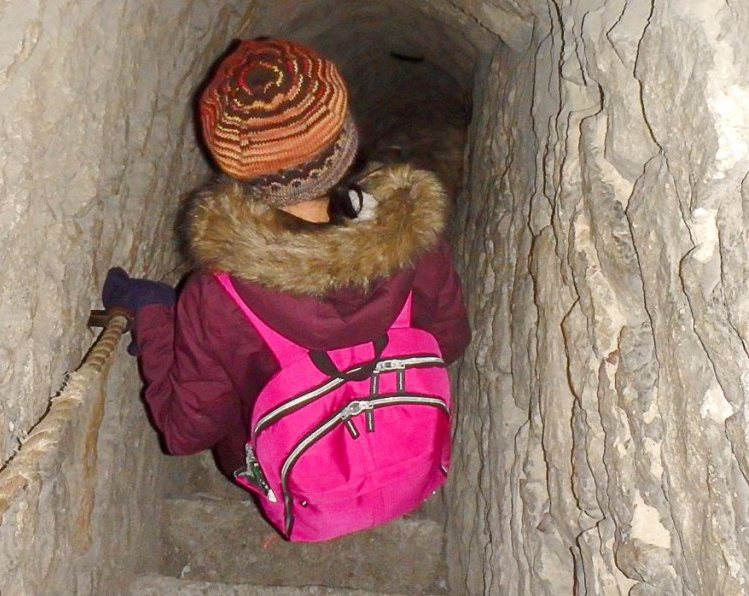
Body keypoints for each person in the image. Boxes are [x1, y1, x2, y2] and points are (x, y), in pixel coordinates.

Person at [101, 37, 471, 481]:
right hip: (405, 452)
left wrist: (156, 316)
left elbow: (187, 432)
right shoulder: (417, 245)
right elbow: (447, 343)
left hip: (287, 476)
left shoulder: (219, 296)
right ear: (348, 143)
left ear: (237, 169)